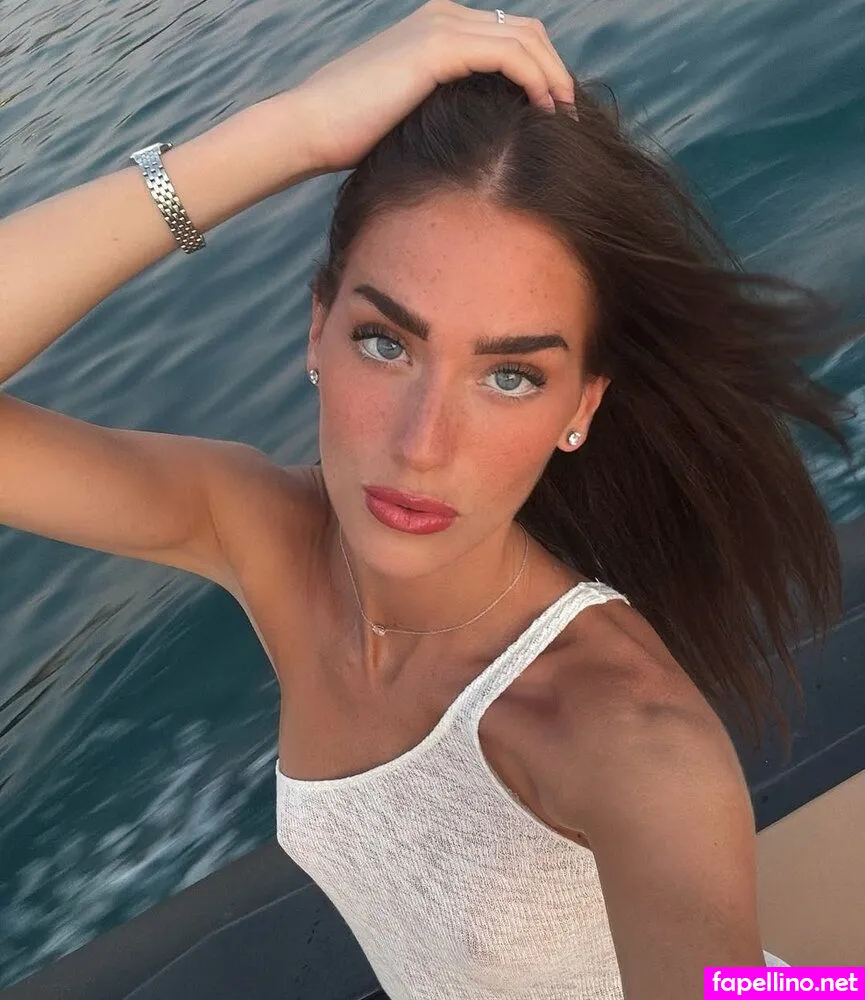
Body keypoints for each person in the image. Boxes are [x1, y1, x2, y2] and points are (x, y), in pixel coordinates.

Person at [1, 1, 857, 996]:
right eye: (385, 342)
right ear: (316, 330)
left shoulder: (626, 740)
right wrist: (291, 130)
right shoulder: (263, 535)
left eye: (510, 376)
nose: (422, 445)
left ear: (580, 407)